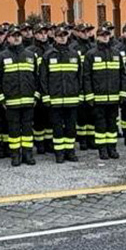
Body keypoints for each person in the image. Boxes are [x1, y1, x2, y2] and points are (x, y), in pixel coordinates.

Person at [0, 27, 39, 167]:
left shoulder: (30, 55)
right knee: (13, 129)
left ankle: (27, 154)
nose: (17, 38)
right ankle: (15, 155)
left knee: (27, 128)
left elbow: (37, 77)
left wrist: (36, 96)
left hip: (28, 100)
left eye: (18, 35)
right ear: (8, 38)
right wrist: (1, 98)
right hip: (11, 101)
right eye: (13, 36)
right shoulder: (2, 56)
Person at [83, 26, 126, 160]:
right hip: (98, 97)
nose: (105, 37)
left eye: (107, 34)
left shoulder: (116, 53)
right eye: (102, 35)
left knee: (112, 124)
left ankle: (112, 148)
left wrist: (123, 92)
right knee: (100, 125)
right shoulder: (91, 54)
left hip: (114, 97)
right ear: (97, 36)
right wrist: (89, 95)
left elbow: (122, 74)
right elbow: (86, 76)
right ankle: (102, 149)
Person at [40, 27, 81, 163]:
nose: (62, 38)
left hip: (72, 98)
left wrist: (79, 93)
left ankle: (70, 151)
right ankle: (59, 152)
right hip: (55, 99)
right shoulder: (48, 55)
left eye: (64, 35)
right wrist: (46, 96)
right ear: (55, 37)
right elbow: (43, 78)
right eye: (59, 35)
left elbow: (79, 76)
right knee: (57, 127)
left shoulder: (74, 54)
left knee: (71, 127)